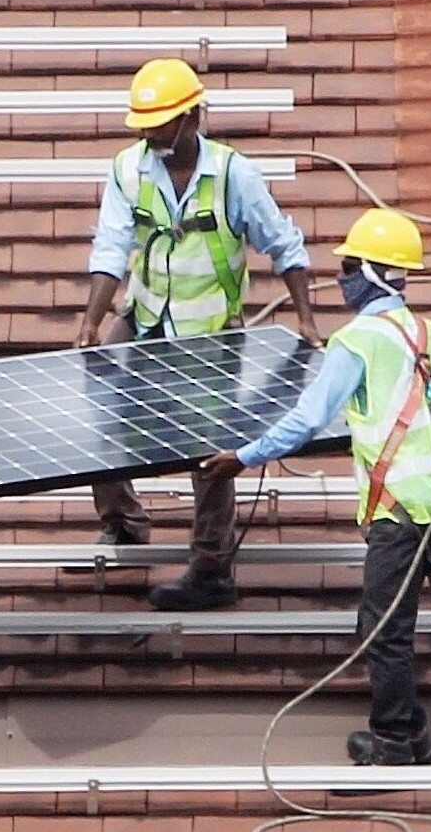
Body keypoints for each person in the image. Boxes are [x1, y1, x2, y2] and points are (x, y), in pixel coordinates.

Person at [202, 208, 431, 767]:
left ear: (370, 272)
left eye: (348, 265)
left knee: (384, 631)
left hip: (401, 513)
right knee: (383, 620)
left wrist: (243, 458)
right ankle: (414, 735)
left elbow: (307, 419)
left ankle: (393, 740)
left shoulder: (358, 341)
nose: (341, 275)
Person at [77, 59, 323, 613]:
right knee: (98, 402)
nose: (148, 134)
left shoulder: (234, 174)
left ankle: (211, 568)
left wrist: (307, 321)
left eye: (159, 124)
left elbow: (283, 244)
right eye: (142, 124)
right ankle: (122, 523)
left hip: (209, 331)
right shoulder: (128, 169)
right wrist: (93, 321)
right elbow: (111, 248)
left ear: (191, 118)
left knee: (212, 448)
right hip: (144, 318)